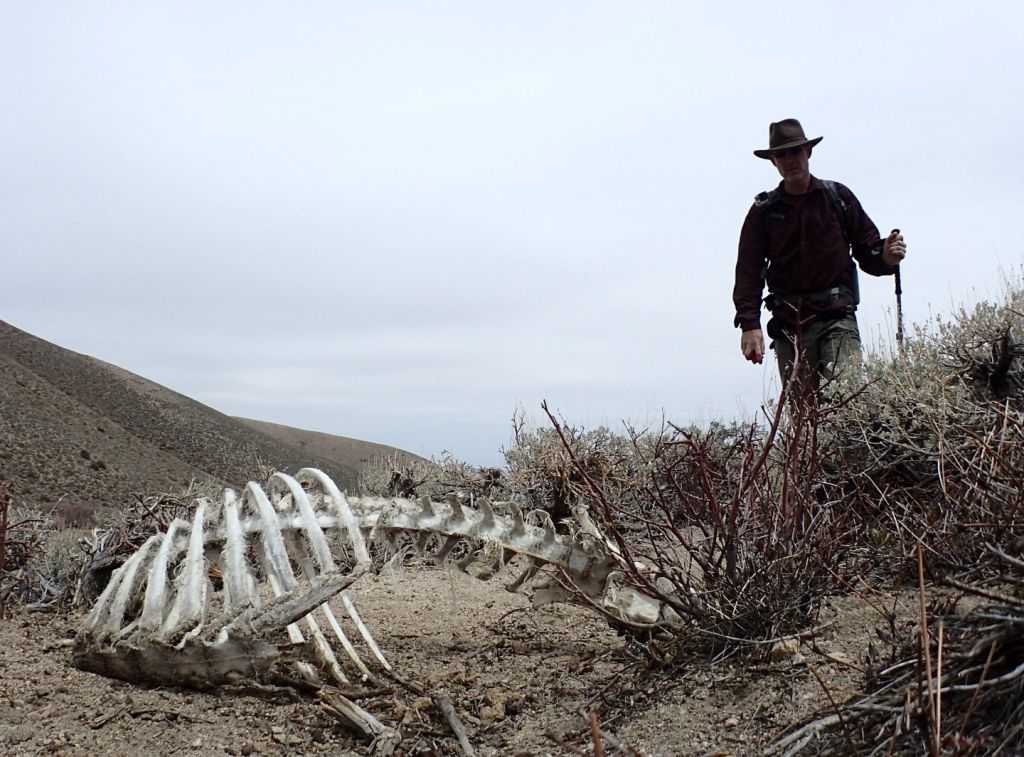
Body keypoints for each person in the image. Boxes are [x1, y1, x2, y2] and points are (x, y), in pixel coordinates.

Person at [733, 118, 907, 392]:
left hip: (836, 318)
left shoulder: (837, 197)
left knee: (848, 404)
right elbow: (748, 271)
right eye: (782, 154)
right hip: (789, 325)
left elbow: (868, 250)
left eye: (796, 151)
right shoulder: (763, 211)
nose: (790, 159)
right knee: (802, 419)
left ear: (808, 152)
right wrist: (749, 323)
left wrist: (885, 255)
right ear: (773, 161)